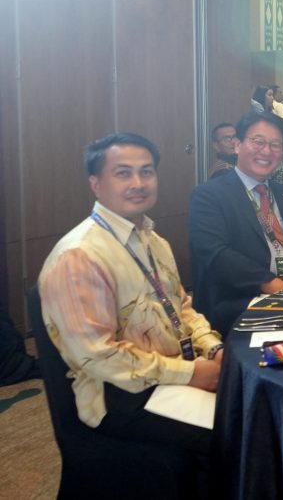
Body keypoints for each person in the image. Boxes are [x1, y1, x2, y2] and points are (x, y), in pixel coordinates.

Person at [39, 133, 222, 460]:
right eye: (123, 173)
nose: (138, 183)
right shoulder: (78, 256)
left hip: (173, 371)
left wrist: (214, 348)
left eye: (146, 171)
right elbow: (99, 356)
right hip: (121, 395)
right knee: (240, 430)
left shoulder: (155, 242)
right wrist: (192, 374)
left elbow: (182, 308)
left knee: (255, 406)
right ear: (96, 184)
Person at [189, 112, 283, 333]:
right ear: (237, 145)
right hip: (241, 303)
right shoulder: (209, 195)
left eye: (275, 144)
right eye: (258, 141)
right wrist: (273, 285)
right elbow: (216, 253)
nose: (266, 151)